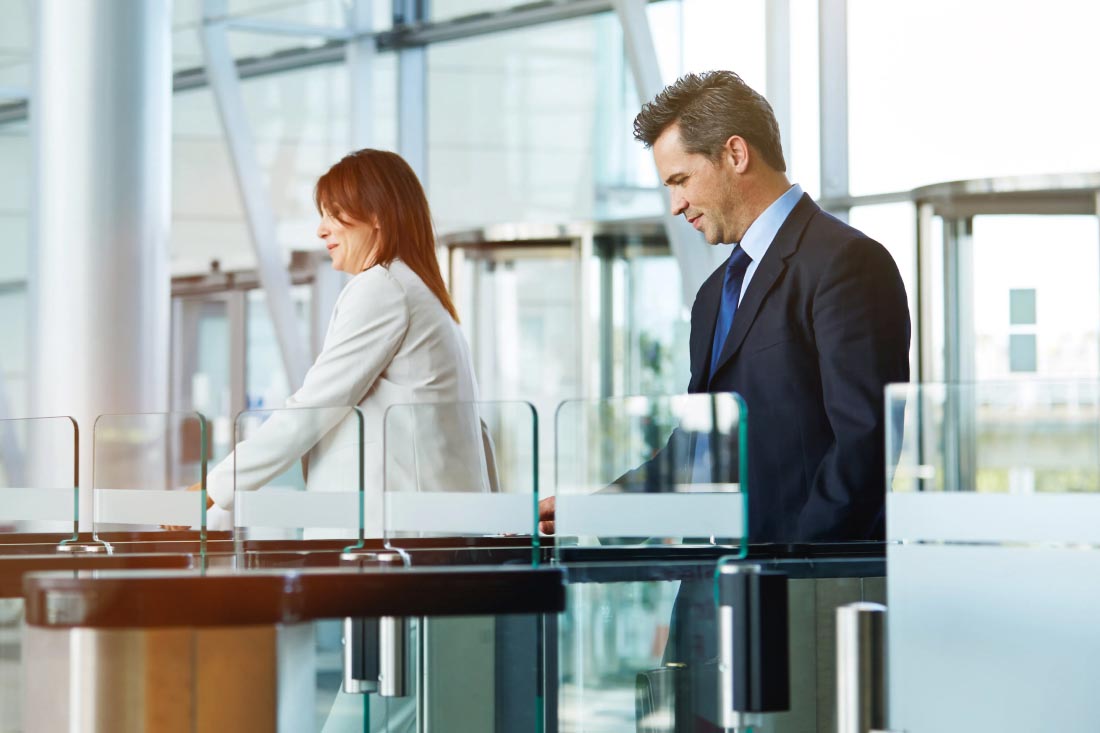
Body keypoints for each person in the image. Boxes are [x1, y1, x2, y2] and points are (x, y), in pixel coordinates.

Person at [540, 71, 910, 543]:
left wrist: (793, 577)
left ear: (735, 154)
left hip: (794, 594)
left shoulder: (847, 263)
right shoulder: (715, 292)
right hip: (709, 590)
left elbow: (865, 448)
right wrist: (599, 514)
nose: (676, 205)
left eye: (681, 180)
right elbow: (695, 448)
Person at [183, 149, 489, 536]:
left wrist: (213, 488)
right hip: (422, 531)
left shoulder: (384, 288)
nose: (321, 229)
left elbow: (314, 406)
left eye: (334, 213)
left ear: (377, 215)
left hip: (391, 538)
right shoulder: (418, 290)